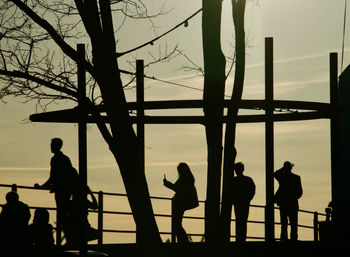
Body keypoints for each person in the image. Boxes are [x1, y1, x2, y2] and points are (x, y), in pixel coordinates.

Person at [35, 138, 79, 223]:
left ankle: (63, 229)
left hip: (61, 189)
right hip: (66, 189)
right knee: (63, 211)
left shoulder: (55, 159)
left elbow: (53, 177)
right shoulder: (65, 158)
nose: (51, 147)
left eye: (52, 145)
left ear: (57, 146)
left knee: (61, 211)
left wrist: (42, 186)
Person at [163, 162, 198, 243]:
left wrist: (167, 183)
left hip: (181, 203)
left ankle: (183, 240)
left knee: (176, 224)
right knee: (177, 223)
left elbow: (176, 188)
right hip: (183, 202)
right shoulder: (189, 178)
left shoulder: (184, 178)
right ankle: (182, 240)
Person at [274, 161, 303, 241]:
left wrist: (282, 169)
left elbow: (275, 173)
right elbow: (300, 192)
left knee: (284, 224)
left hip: (284, 203)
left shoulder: (282, 177)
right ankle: (293, 239)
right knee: (293, 224)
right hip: (293, 203)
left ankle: (284, 239)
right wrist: (293, 197)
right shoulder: (296, 177)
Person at [231, 162, 255, 243]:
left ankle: (239, 238)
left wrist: (233, 200)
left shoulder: (233, 181)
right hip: (245, 203)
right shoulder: (248, 180)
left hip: (238, 203)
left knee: (238, 220)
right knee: (243, 221)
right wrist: (248, 199)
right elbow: (252, 191)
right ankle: (242, 239)